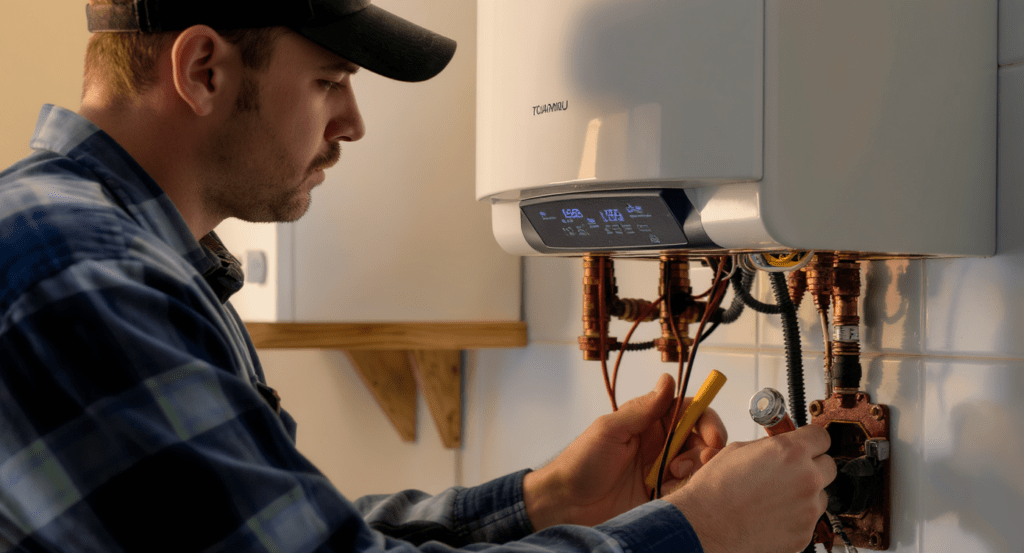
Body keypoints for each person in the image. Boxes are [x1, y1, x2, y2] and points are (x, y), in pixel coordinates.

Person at [0, 1, 836, 552]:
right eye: (328, 81)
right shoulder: (78, 273)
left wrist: (547, 500)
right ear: (203, 70)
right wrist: (698, 529)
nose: (354, 123)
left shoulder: (97, 249)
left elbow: (290, 536)